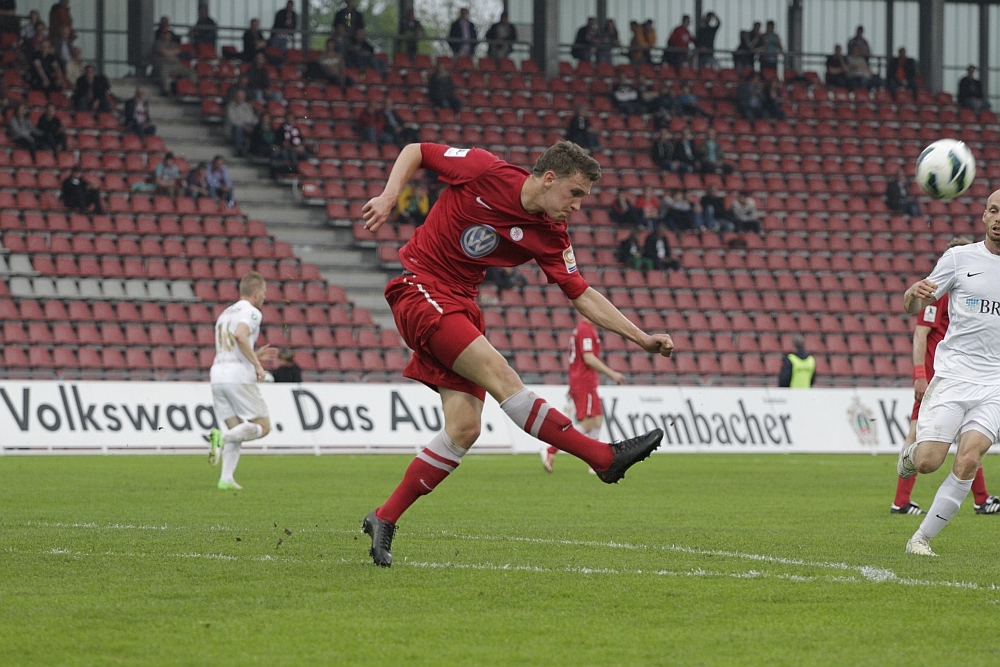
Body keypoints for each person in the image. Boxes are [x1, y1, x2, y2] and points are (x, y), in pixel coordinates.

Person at [358, 141, 672, 566]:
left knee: (464, 429)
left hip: (461, 305)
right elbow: (416, 150)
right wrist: (390, 195)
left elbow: (581, 294)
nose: (578, 206)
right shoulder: (484, 170)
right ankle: (603, 457)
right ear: (549, 178)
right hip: (421, 288)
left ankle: (384, 516)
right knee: (504, 378)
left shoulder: (551, 234)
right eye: (574, 193)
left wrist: (640, 337)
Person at [897, 190, 1000, 555]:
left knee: (970, 459)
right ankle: (911, 457)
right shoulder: (959, 259)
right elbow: (915, 306)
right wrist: (912, 292)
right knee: (928, 462)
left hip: (994, 383)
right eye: (993, 211)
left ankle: (920, 539)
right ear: (984, 216)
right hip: (954, 376)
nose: (999, 219)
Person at [207, 272, 278, 490]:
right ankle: (222, 437)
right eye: (264, 293)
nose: (264, 297)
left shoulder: (225, 313)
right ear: (256, 293)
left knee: (238, 429)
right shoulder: (252, 312)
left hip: (218, 374)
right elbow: (240, 335)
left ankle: (226, 479)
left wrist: (255, 355)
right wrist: (257, 365)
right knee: (263, 426)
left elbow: (232, 347)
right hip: (237, 376)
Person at [541, 315, 626, 473]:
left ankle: (595, 463)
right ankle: (550, 450)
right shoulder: (585, 330)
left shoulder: (584, 329)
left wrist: (574, 382)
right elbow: (588, 358)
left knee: (597, 420)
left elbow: (577, 360)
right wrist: (612, 373)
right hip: (584, 381)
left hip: (584, 381)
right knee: (588, 423)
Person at [150, 29, 195, 96]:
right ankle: (167, 91)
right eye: (165, 34)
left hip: (176, 65)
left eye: (168, 34)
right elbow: (164, 52)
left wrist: (169, 52)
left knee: (191, 72)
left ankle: (191, 89)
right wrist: (172, 52)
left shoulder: (174, 44)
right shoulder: (158, 43)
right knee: (163, 72)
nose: (167, 35)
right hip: (164, 65)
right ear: (161, 35)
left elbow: (178, 50)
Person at [847, 25, 879, 91]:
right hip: (857, 74)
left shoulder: (864, 42)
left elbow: (868, 53)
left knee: (878, 80)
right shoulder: (852, 41)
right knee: (862, 80)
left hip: (864, 66)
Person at [226, 89, 257, 156]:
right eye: (238, 96)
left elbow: (253, 117)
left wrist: (255, 125)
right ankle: (239, 150)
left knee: (258, 128)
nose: (239, 98)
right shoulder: (231, 106)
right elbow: (233, 120)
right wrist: (245, 127)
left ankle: (254, 150)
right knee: (238, 129)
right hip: (236, 126)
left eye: (241, 96)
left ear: (244, 97)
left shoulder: (248, 106)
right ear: (235, 96)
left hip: (249, 125)